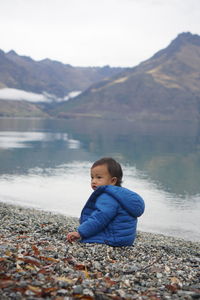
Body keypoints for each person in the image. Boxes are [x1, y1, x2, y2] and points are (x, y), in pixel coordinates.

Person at [67, 157, 145, 247]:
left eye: (99, 177)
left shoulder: (108, 197)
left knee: (84, 240)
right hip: (125, 239)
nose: (93, 181)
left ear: (113, 181)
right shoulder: (120, 195)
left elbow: (99, 218)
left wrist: (81, 232)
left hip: (113, 239)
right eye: (92, 178)